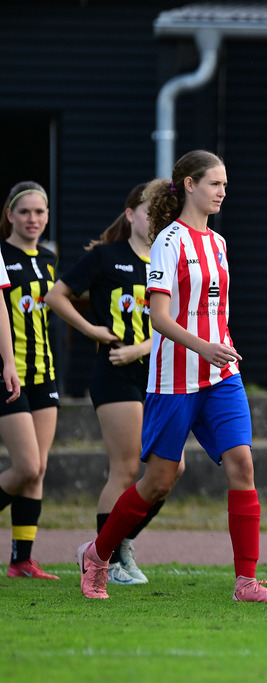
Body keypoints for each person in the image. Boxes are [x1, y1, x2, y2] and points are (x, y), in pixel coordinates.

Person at [76, 150, 267, 603]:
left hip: (221, 375)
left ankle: (246, 582)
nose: (223, 192)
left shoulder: (218, 242)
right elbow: (159, 318)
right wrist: (203, 347)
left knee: (243, 464)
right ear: (189, 185)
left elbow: (216, 312)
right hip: (175, 377)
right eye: (215, 184)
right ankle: (97, 556)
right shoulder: (168, 241)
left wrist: (221, 349)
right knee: (158, 481)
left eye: (226, 185)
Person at [47, 182, 184, 585]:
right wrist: (93, 329)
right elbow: (57, 296)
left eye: (162, 213)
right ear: (130, 214)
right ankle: (113, 558)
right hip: (115, 372)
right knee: (125, 469)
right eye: (148, 211)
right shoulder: (107, 257)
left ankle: (106, 547)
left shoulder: (171, 257)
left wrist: (140, 349)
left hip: (157, 373)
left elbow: (172, 321)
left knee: (171, 469)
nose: (155, 219)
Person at [0, 182, 57, 580]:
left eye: (39, 212)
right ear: (10, 215)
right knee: (25, 467)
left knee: (38, 470)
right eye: (25, 212)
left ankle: (22, 560)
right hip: (10, 372)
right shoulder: (2, 255)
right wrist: (7, 362)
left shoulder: (50, 259)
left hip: (45, 374)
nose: (32, 219)